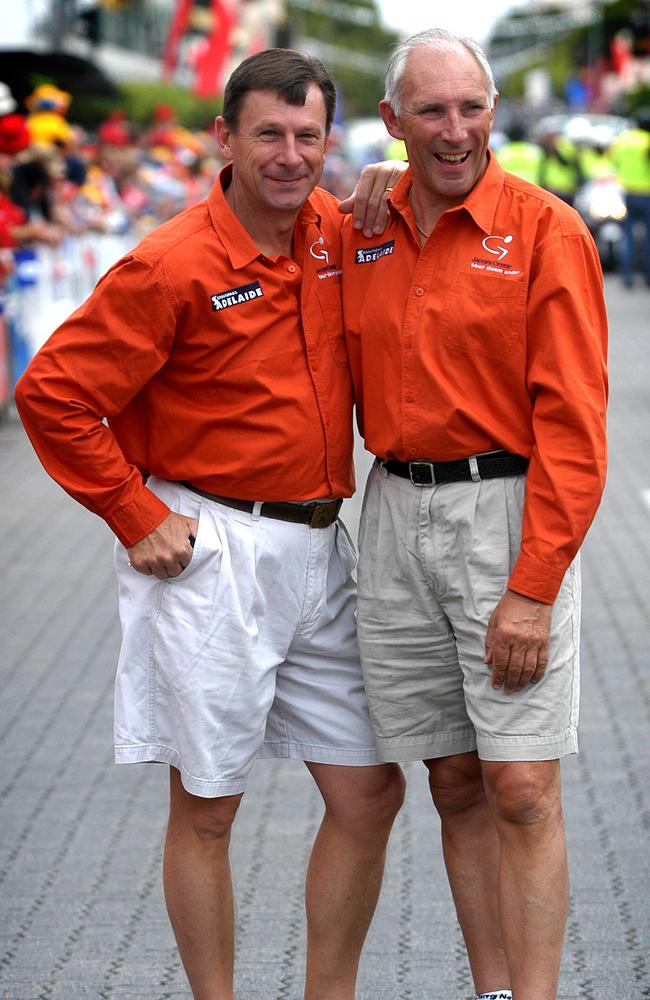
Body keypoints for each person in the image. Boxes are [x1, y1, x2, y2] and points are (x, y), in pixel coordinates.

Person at [15, 48, 406, 1000]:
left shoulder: (336, 231)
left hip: (324, 547)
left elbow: (447, 194)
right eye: (267, 133)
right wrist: (133, 513)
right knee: (209, 806)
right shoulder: (170, 262)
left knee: (369, 791)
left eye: (307, 136)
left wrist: (400, 180)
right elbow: (53, 393)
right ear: (223, 138)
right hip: (210, 549)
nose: (289, 155)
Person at [341, 29, 608, 1000]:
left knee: (522, 788)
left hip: (504, 517)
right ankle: (490, 990)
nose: (453, 131)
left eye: (468, 109)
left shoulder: (548, 230)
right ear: (391, 122)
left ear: (492, 112)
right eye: (429, 112)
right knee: (452, 781)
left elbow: (574, 430)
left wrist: (531, 590)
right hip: (392, 518)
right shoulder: (358, 224)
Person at [609, 108, 650, 288]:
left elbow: (614, 163)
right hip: (647, 194)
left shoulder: (623, 140)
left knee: (628, 236)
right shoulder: (646, 141)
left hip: (627, 193)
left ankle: (627, 276)